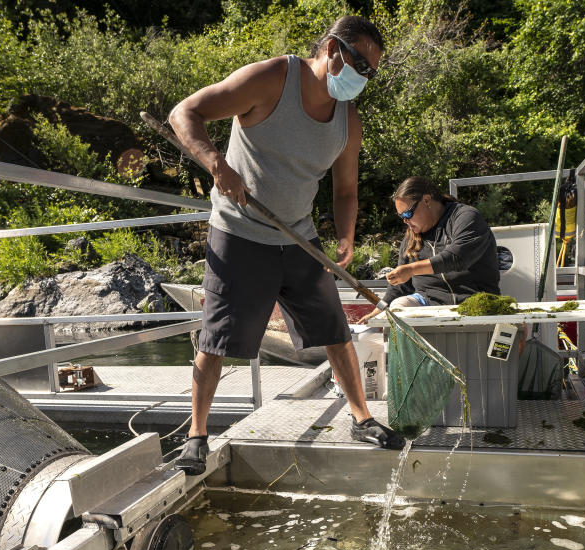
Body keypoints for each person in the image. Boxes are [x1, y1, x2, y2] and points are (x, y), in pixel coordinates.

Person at [168, 16, 405, 475]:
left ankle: (361, 418)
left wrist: (345, 235)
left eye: (371, 73)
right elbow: (185, 113)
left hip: (298, 236)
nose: (363, 78)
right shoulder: (272, 78)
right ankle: (197, 434)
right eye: (361, 64)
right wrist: (216, 161)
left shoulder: (347, 120)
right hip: (238, 231)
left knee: (335, 330)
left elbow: (346, 190)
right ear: (334, 49)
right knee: (216, 337)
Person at [360, 176, 500, 322]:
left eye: (408, 213)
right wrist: (375, 314)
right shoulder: (411, 236)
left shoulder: (466, 217)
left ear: (426, 200)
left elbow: (458, 258)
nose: (405, 221)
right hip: (428, 302)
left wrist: (411, 269)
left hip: (475, 299)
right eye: (401, 216)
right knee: (398, 307)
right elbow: (399, 287)